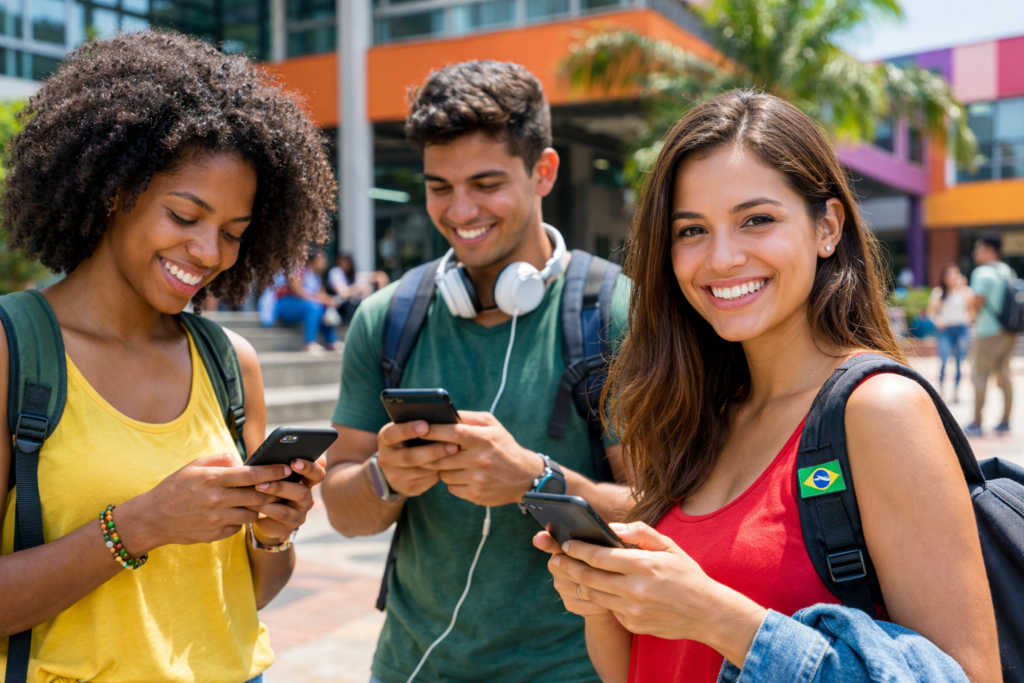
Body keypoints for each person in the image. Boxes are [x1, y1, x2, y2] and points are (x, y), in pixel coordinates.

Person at [534, 91, 999, 683]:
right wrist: (602, 601)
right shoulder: (695, 411)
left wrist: (713, 615)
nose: (722, 258)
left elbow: (971, 676)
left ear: (827, 227)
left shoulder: (879, 411)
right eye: (692, 230)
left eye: (757, 220)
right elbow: (645, 667)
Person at [0, 31, 337, 683]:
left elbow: (248, 592)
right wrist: (137, 525)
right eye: (185, 215)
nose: (209, 252)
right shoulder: (15, 351)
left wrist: (274, 530)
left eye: (234, 233)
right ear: (115, 191)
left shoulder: (230, 363)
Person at [320, 61, 633, 683]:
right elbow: (341, 508)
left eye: (486, 183)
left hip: (572, 670)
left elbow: (659, 512)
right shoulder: (388, 318)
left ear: (543, 171)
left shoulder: (616, 312)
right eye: (440, 186)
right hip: (409, 666)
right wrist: (387, 477)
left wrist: (535, 480)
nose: (460, 210)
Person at [966, 233, 1016, 437]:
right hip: (1009, 331)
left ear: (989, 249)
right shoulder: (1007, 271)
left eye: (978, 248)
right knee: (1004, 376)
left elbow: (976, 301)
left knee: (979, 376)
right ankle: (1005, 420)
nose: (974, 253)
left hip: (987, 332)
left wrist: (971, 317)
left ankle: (977, 423)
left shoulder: (982, 273)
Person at [275, 250, 342, 352]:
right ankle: (309, 343)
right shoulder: (299, 270)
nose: (325, 261)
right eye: (322, 259)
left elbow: (321, 296)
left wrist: (328, 301)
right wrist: (322, 298)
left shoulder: (318, 275)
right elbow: (297, 291)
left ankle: (331, 341)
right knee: (314, 307)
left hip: (302, 305)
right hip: (284, 304)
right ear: (312, 260)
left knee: (323, 309)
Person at [927, 263, 973, 403]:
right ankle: (940, 390)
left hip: (961, 328)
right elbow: (931, 312)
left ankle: (956, 392)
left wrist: (968, 320)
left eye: (955, 273)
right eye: (949, 274)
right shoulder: (938, 292)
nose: (952, 277)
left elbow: (972, 310)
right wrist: (938, 320)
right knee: (944, 360)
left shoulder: (965, 292)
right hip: (945, 330)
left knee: (960, 362)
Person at [327, 252, 390, 325]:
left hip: (352, 305)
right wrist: (359, 288)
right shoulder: (336, 272)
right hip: (340, 306)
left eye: (347, 261)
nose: (345, 264)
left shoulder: (353, 275)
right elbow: (343, 293)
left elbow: (381, 276)